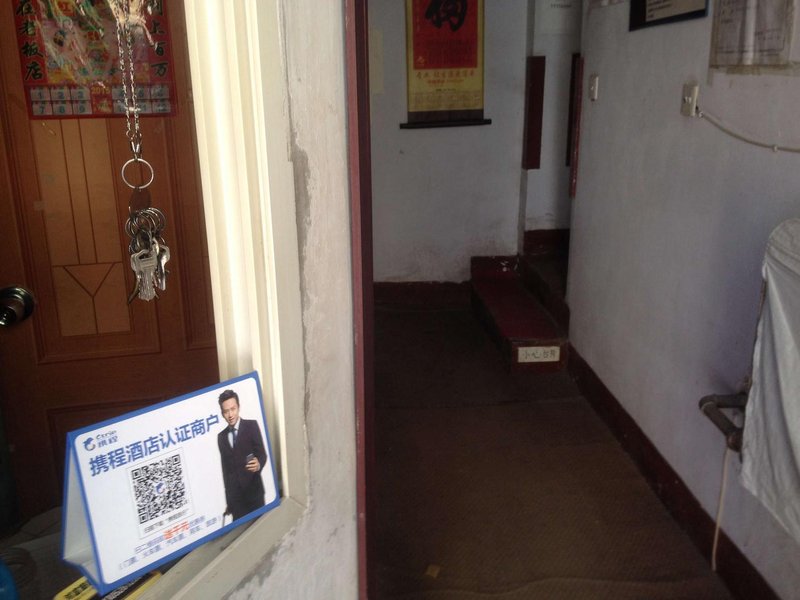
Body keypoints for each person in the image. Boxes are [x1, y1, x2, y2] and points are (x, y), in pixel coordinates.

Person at [217, 389, 267, 521]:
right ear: (222, 414)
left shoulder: (251, 426)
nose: (230, 415)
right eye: (226, 411)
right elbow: (226, 472)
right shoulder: (221, 437)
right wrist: (229, 501)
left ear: (238, 407)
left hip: (254, 494)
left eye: (233, 409)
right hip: (236, 501)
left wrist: (259, 464)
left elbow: (262, 454)